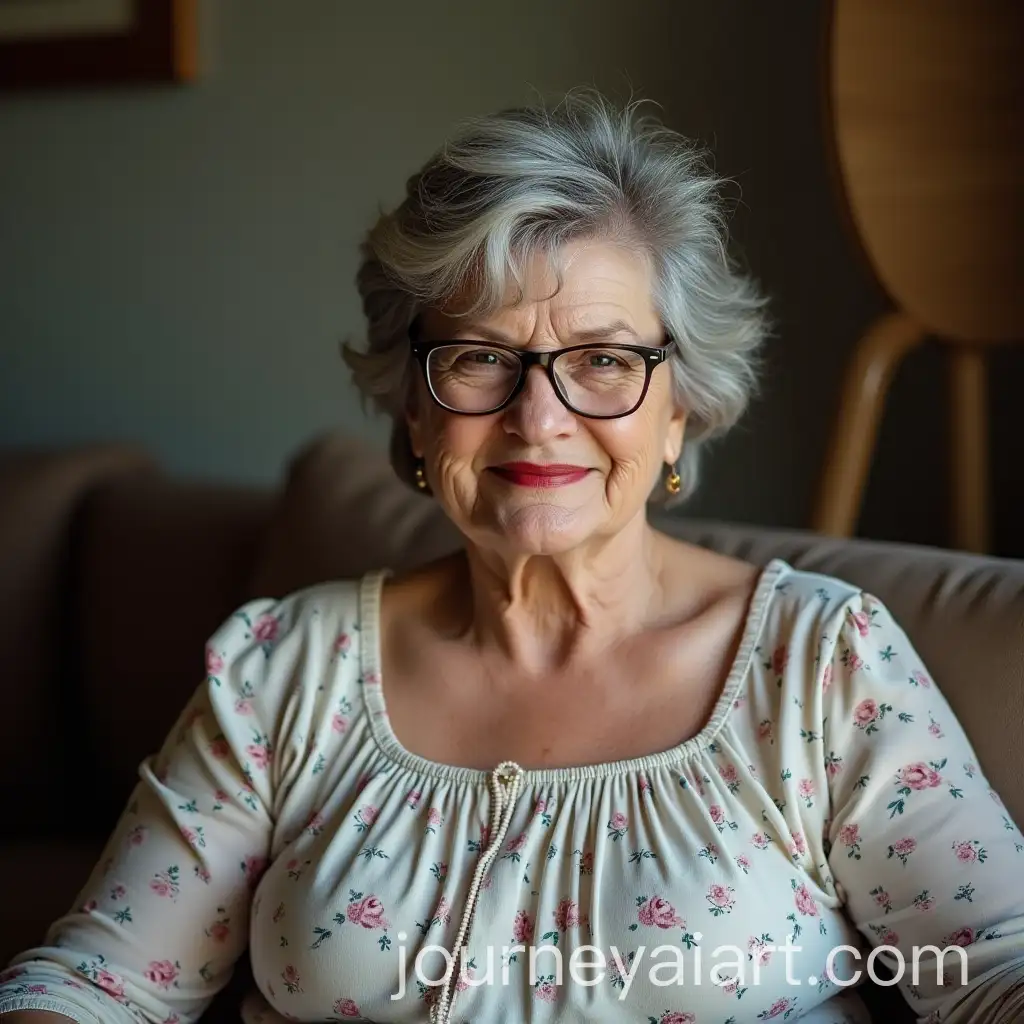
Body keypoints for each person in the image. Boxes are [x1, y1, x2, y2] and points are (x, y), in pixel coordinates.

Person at [2, 89, 1022, 1024]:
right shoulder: (285, 672)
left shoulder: (820, 664)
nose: (539, 417)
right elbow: (99, 984)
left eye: (603, 359)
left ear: (678, 409)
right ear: (412, 407)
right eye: (481, 357)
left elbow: (990, 967)